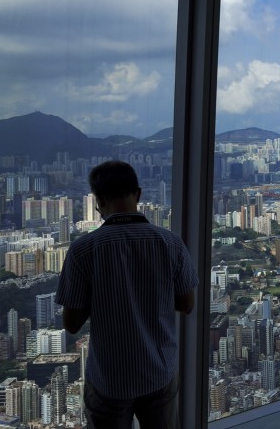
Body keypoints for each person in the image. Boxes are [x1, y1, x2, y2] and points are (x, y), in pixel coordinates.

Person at [56, 160, 198, 429]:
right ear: (138, 194)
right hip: (158, 371)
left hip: (109, 378)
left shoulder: (83, 250)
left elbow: (71, 323)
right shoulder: (170, 243)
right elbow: (187, 303)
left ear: (98, 201)